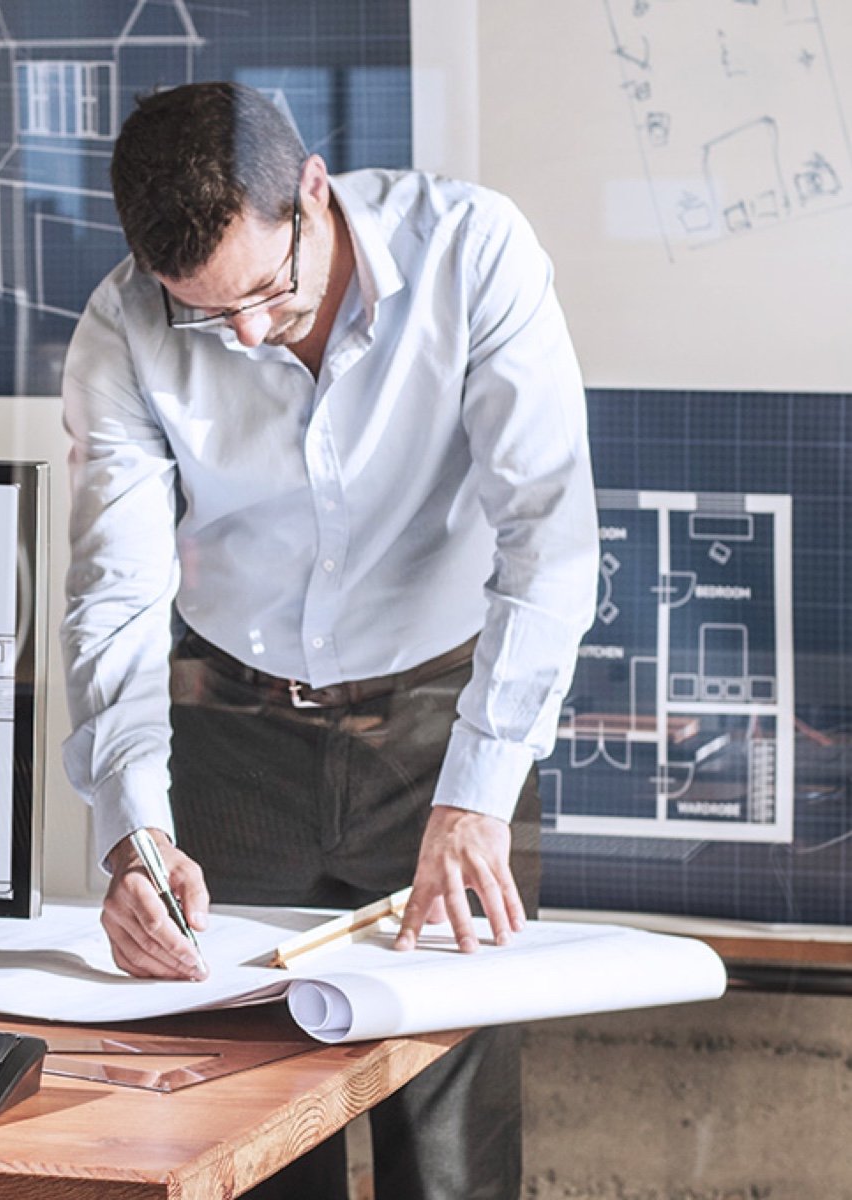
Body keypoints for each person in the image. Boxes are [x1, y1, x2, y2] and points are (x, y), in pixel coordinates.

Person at [59, 81, 599, 1199]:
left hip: (439, 740)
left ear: (312, 191)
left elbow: (549, 538)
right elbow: (115, 592)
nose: (250, 332)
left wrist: (477, 795)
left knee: (449, 1171)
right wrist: (133, 838)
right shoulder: (122, 326)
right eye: (207, 312)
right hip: (231, 743)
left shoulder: (471, 250)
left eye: (267, 288)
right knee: (243, 1149)